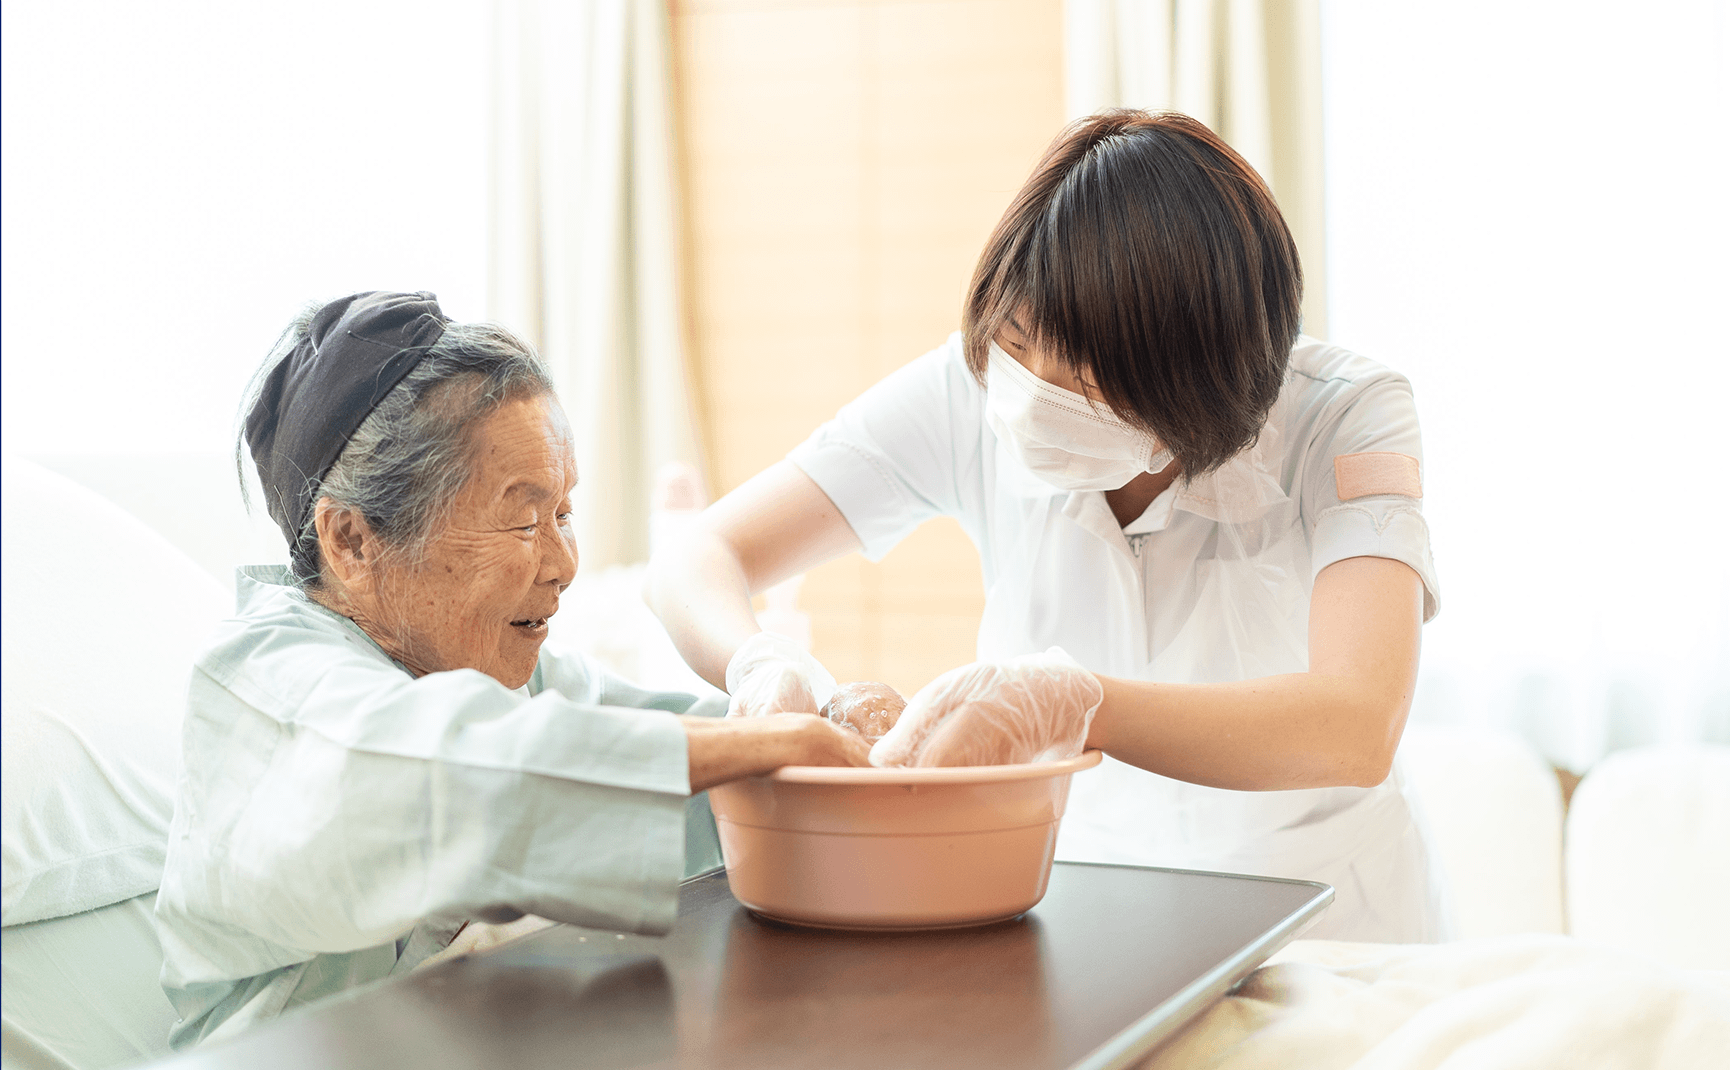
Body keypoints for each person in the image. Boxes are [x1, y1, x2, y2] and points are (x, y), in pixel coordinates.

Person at [646, 110, 1447, 943]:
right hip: (1080, 914)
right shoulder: (968, 386)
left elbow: (1356, 724)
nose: (1031, 390)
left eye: (1085, 373)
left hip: (1325, 922)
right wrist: (759, 665)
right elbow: (695, 559)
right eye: (1019, 340)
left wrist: (1077, 703)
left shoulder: (1345, 415)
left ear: (1191, 379)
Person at [154, 292, 869, 1047]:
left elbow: (669, 757)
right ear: (352, 540)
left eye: (564, 513)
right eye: (525, 520)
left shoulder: (501, 673)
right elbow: (445, 771)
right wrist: (767, 744)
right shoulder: (263, 688)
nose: (563, 563)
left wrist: (838, 729)